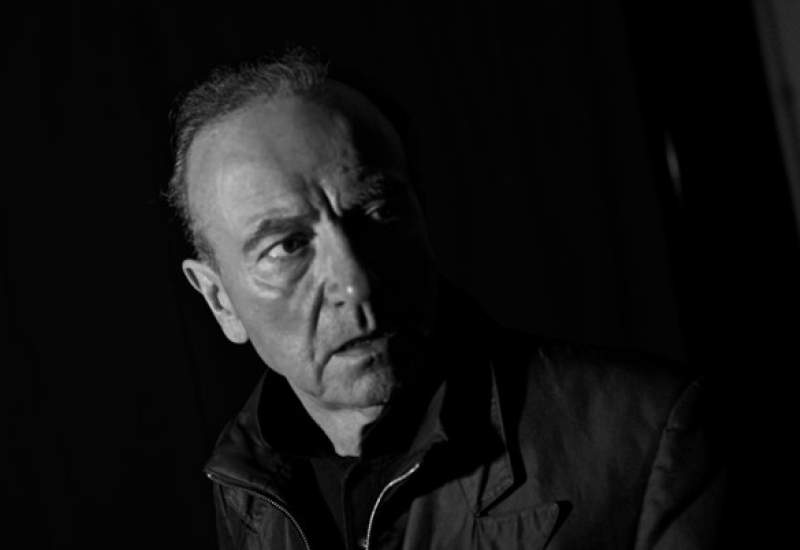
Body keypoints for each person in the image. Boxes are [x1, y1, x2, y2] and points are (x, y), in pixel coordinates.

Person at [168, 50, 725, 549]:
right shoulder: (247, 489)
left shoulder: (648, 436)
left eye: (380, 213)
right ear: (220, 301)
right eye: (288, 246)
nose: (355, 284)